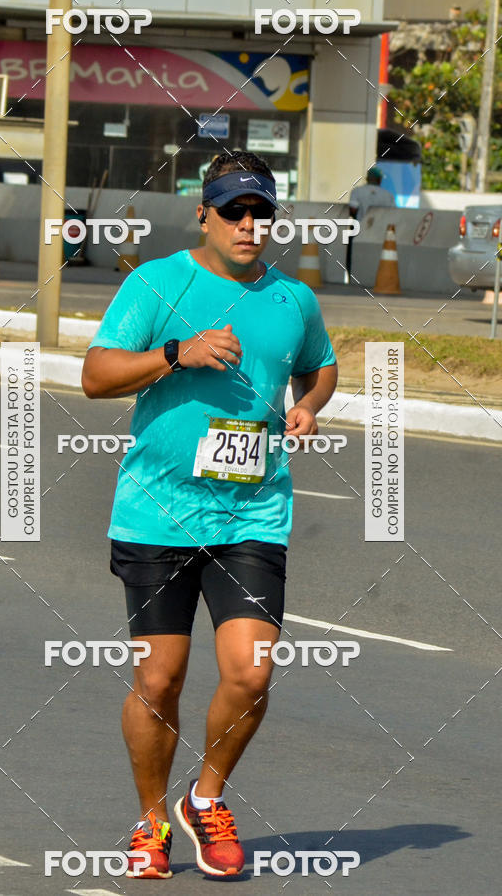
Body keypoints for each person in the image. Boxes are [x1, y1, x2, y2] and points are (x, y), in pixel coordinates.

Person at [81, 150, 338, 879]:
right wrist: (177, 352)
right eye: (234, 212)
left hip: (253, 513)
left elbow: (320, 365)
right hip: (157, 514)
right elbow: (96, 375)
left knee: (251, 675)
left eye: (261, 213)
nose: (249, 226)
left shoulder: (293, 299)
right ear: (204, 214)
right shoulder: (157, 283)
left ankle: (207, 797)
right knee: (159, 681)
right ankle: (151, 820)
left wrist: (308, 405)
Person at [346, 165, 396, 279]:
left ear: (367, 178)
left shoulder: (357, 191)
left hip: (359, 229)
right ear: (379, 180)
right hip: (380, 231)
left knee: (353, 256)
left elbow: (353, 210)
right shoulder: (388, 195)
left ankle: (352, 277)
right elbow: (393, 214)